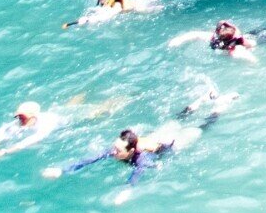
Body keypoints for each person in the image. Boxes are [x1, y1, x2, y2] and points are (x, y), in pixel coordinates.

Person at [43, 84, 233, 196]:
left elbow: (138, 173)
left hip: (173, 143)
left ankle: (220, 107)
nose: (113, 151)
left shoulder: (141, 158)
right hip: (159, 136)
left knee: (201, 128)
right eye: (115, 147)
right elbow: (89, 159)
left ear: (132, 151)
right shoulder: (117, 149)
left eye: (118, 150)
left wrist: (127, 190)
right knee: (178, 119)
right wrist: (62, 170)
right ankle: (202, 98)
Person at [167, 9, 266, 64]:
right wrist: (177, 41)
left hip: (260, 39)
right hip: (252, 35)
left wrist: (251, 58)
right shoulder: (218, 39)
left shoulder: (236, 51)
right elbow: (194, 34)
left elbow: (254, 61)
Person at [0, 100, 66, 162]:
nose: (20, 120)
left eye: (22, 117)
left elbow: (30, 141)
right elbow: (1, 134)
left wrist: (2, 152)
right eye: (18, 117)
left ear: (33, 117)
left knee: (68, 107)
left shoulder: (46, 124)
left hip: (62, 122)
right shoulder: (16, 124)